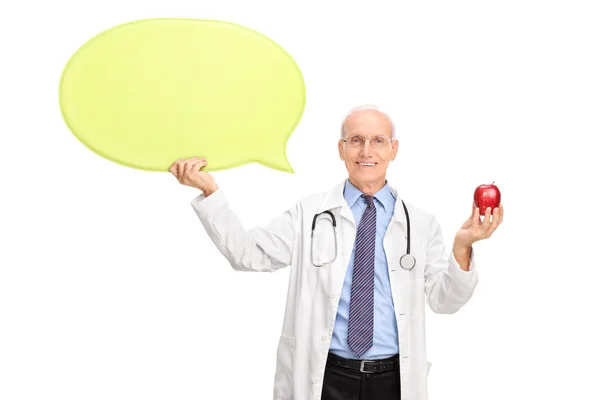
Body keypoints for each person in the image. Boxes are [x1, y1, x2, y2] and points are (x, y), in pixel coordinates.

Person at [169, 105, 503, 400]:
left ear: (394, 149)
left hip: (393, 380)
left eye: (378, 140)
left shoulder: (420, 223)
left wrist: (463, 247)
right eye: (356, 140)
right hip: (326, 377)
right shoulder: (308, 214)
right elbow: (246, 254)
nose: (366, 151)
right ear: (341, 149)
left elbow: (445, 301)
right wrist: (210, 191)